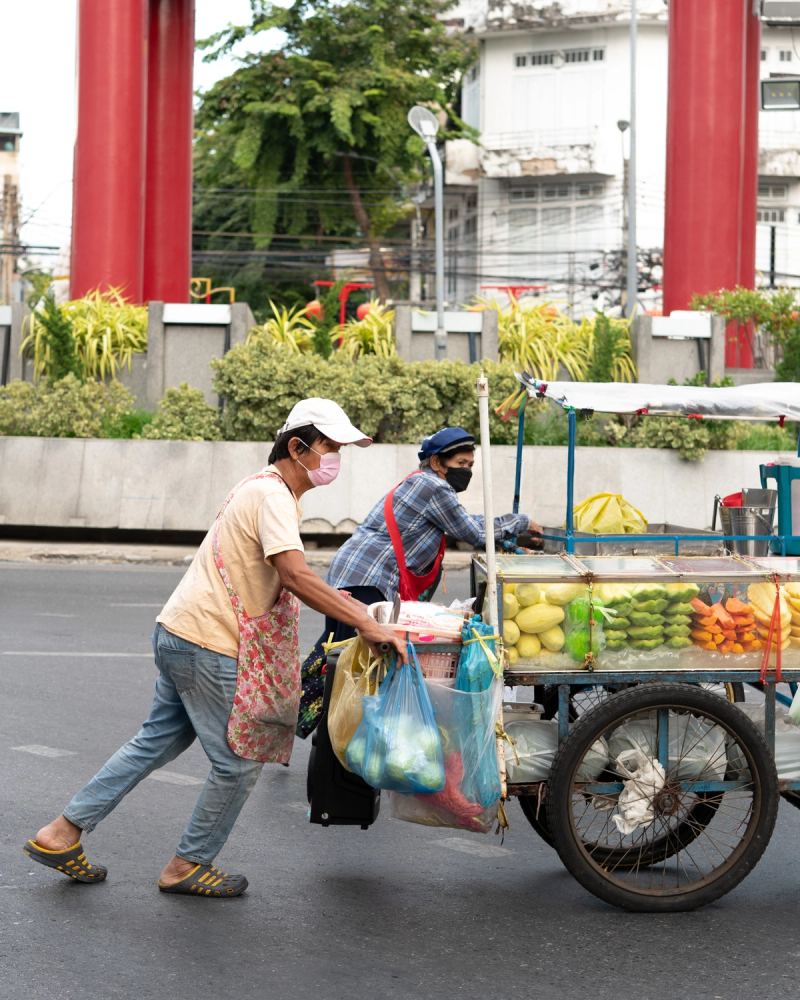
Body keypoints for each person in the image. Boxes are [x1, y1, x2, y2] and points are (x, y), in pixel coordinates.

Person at [24, 398, 405, 899]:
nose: (335, 459)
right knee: (239, 762)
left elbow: (282, 576)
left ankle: (60, 833)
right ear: (297, 447)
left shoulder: (261, 489)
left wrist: (347, 606)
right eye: (330, 447)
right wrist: (365, 623)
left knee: (155, 742)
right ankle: (188, 865)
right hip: (208, 642)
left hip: (181, 632)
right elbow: (294, 575)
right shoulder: (272, 496)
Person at [296, 426, 538, 737]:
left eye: (470, 466)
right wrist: (522, 521)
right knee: (357, 670)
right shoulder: (432, 486)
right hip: (368, 579)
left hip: (355, 575)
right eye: (461, 464)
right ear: (437, 462)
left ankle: (323, 733)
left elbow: (467, 522)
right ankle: (334, 739)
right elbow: (474, 532)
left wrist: (510, 538)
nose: (466, 472)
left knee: (343, 660)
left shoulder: (423, 483)